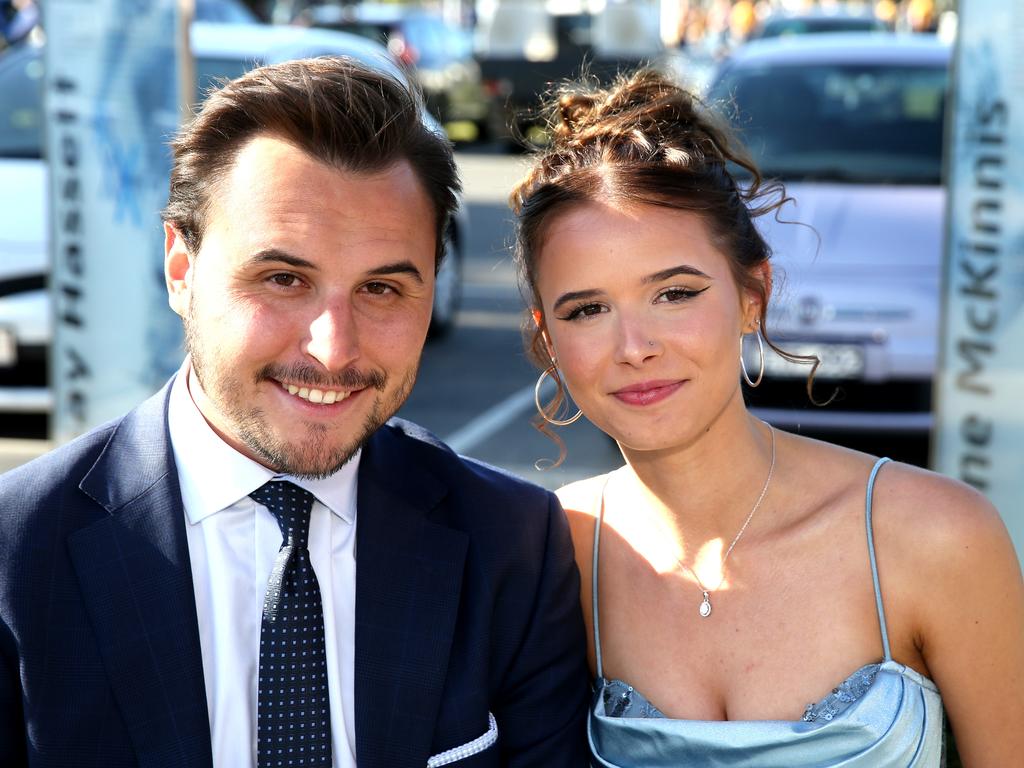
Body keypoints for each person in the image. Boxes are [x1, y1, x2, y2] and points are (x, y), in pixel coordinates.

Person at [0, 57, 589, 767]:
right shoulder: (16, 556)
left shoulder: (514, 548)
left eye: (380, 289)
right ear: (180, 268)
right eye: (283, 279)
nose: (333, 349)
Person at [509, 69, 1024, 767]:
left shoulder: (934, 539)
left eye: (675, 293)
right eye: (588, 310)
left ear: (754, 294)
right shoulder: (548, 553)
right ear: (547, 339)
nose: (636, 348)